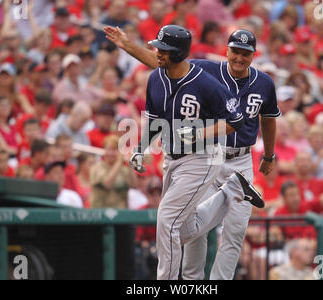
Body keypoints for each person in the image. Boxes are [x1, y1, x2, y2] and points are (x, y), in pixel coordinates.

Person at [105, 25, 279, 280]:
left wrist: (269, 155)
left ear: (254, 55)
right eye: (235, 51)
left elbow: (264, 120)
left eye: (246, 53)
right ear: (227, 50)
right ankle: (191, 281)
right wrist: (128, 45)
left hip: (230, 156)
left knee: (233, 231)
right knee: (188, 229)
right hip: (195, 154)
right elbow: (161, 61)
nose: (239, 57)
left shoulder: (263, 82)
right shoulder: (206, 70)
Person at [89, 134, 136, 209]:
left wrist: (130, 165)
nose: (110, 153)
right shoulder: (97, 168)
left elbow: (134, 185)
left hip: (120, 214)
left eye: (114, 150)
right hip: (100, 213)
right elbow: (107, 184)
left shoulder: (124, 170)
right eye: (108, 149)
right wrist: (119, 162)